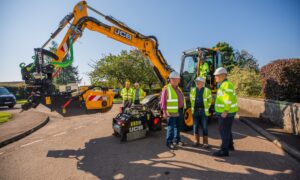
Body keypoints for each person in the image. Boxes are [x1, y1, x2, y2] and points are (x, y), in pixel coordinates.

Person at [212, 67, 238, 157]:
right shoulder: (224, 84)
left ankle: (224, 150)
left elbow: (227, 99)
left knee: (224, 131)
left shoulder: (226, 85)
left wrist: (225, 111)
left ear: (222, 75)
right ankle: (230, 145)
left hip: (226, 112)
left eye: (216, 76)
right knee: (227, 130)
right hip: (226, 112)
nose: (215, 77)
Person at [160, 71, 186, 150]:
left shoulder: (179, 89)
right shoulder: (166, 88)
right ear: (170, 80)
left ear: (179, 80)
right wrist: (164, 112)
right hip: (171, 111)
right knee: (171, 127)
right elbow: (163, 101)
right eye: (173, 79)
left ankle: (177, 140)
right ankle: (169, 142)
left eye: (177, 79)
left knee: (178, 127)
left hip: (179, 110)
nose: (175, 81)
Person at [190, 77, 212, 148]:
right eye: (196, 81)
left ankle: (205, 142)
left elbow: (209, 101)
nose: (197, 83)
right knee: (195, 126)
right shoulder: (193, 90)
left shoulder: (207, 90)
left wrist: (206, 108)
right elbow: (191, 99)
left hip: (203, 111)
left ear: (202, 83)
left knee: (204, 127)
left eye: (198, 81)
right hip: (195, 111)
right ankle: (196, 141)